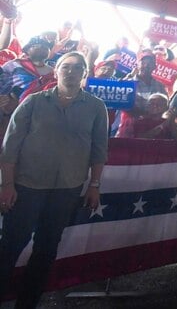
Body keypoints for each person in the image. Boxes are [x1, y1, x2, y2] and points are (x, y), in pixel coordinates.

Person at [0, 52, 108, 308]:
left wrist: (94, 185)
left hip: (66, 191)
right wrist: (7, 184)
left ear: (85, 73)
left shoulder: (96, 108)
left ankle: (27, 304)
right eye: (66, 67)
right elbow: (10, 147)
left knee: (46, 250)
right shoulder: (32, 102)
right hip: (27, 188)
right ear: (56, 70)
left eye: (77, 67)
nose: (71, 71)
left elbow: (99, 150)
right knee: (10, 247)